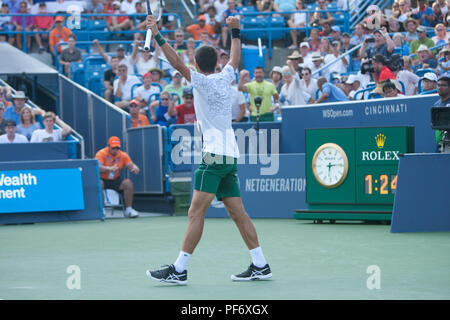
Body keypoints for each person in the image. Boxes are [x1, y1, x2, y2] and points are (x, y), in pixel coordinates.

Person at [145, 14, 272, 285]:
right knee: (238, 213)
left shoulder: (200, 81)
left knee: (195, 213)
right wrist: (235, 31)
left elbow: (176, 62)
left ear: (197, 66)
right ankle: (260, 264)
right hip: (230, 155)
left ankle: (179, 269)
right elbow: (235, 58)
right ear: (216, 63)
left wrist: (156, 34)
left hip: (213, 156)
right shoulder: (226, 76)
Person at [95, 136, 140, 218]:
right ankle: (102, 210)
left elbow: (130, 165)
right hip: (102, 178)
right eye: (113, 148)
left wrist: (134, 167)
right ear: (108, 146)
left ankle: (129, 210)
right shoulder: (101, 153)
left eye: (117, 148)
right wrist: (108, 168)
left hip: (115, 179)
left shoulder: (123, 155)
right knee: (99, 183)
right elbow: (98, 167)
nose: (115, 150)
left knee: (128, 183)